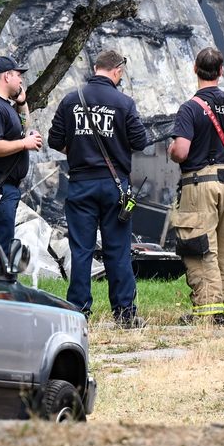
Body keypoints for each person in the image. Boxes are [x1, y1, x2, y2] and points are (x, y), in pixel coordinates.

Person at [48, 50, 150, 327]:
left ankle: (79, 312)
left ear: (95, 68)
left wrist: (78, 150)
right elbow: (140, 142)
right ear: (117, 70)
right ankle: (125, 314)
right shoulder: (124, 102)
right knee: (117, 250)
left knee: (81, 249)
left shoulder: (71, 100)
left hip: (81, 183)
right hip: (115, 185)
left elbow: (54, 140)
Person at [168, 47, 224, 325]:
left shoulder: (190, 108)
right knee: (223, 246)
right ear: (221, 71)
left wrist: (172, 148)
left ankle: (208, 312)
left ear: (195, 69)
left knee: (199, 245)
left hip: (199, 184)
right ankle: (222, 309)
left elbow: (181, 152)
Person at [0, 55, 42, 249]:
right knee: (0, 249)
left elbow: (24, 126)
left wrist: (21, 102)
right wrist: (24, 144)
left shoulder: (3, 105)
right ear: (6, 76)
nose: (21, 80)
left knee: (2, 243)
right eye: (18, 75)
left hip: (4, 189)